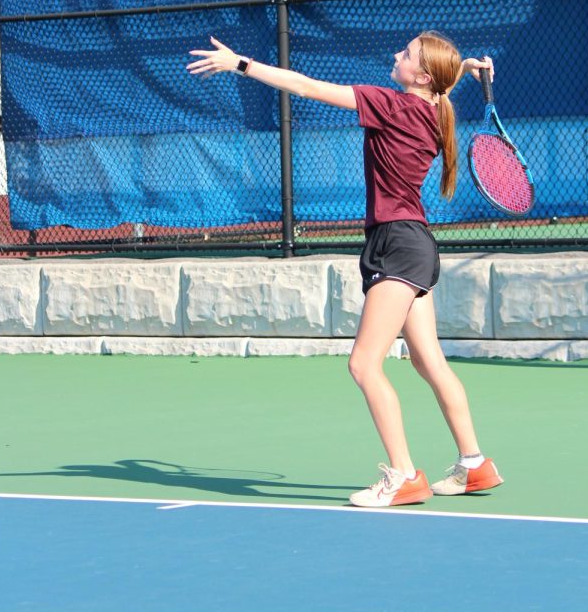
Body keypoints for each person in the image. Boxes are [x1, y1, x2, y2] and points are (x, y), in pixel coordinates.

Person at [186, 31, 503, 509]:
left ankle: (403, 476)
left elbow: (308, 87)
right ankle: (475, 465)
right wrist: (465, 70)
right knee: (427, 361)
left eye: (407, 53)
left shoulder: (391, 105)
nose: (395, 55)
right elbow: (438, 82)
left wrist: (240, 65)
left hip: (396, 245)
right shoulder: (434, 109)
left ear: (419, 75)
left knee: (363, 364)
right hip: (415, 243)